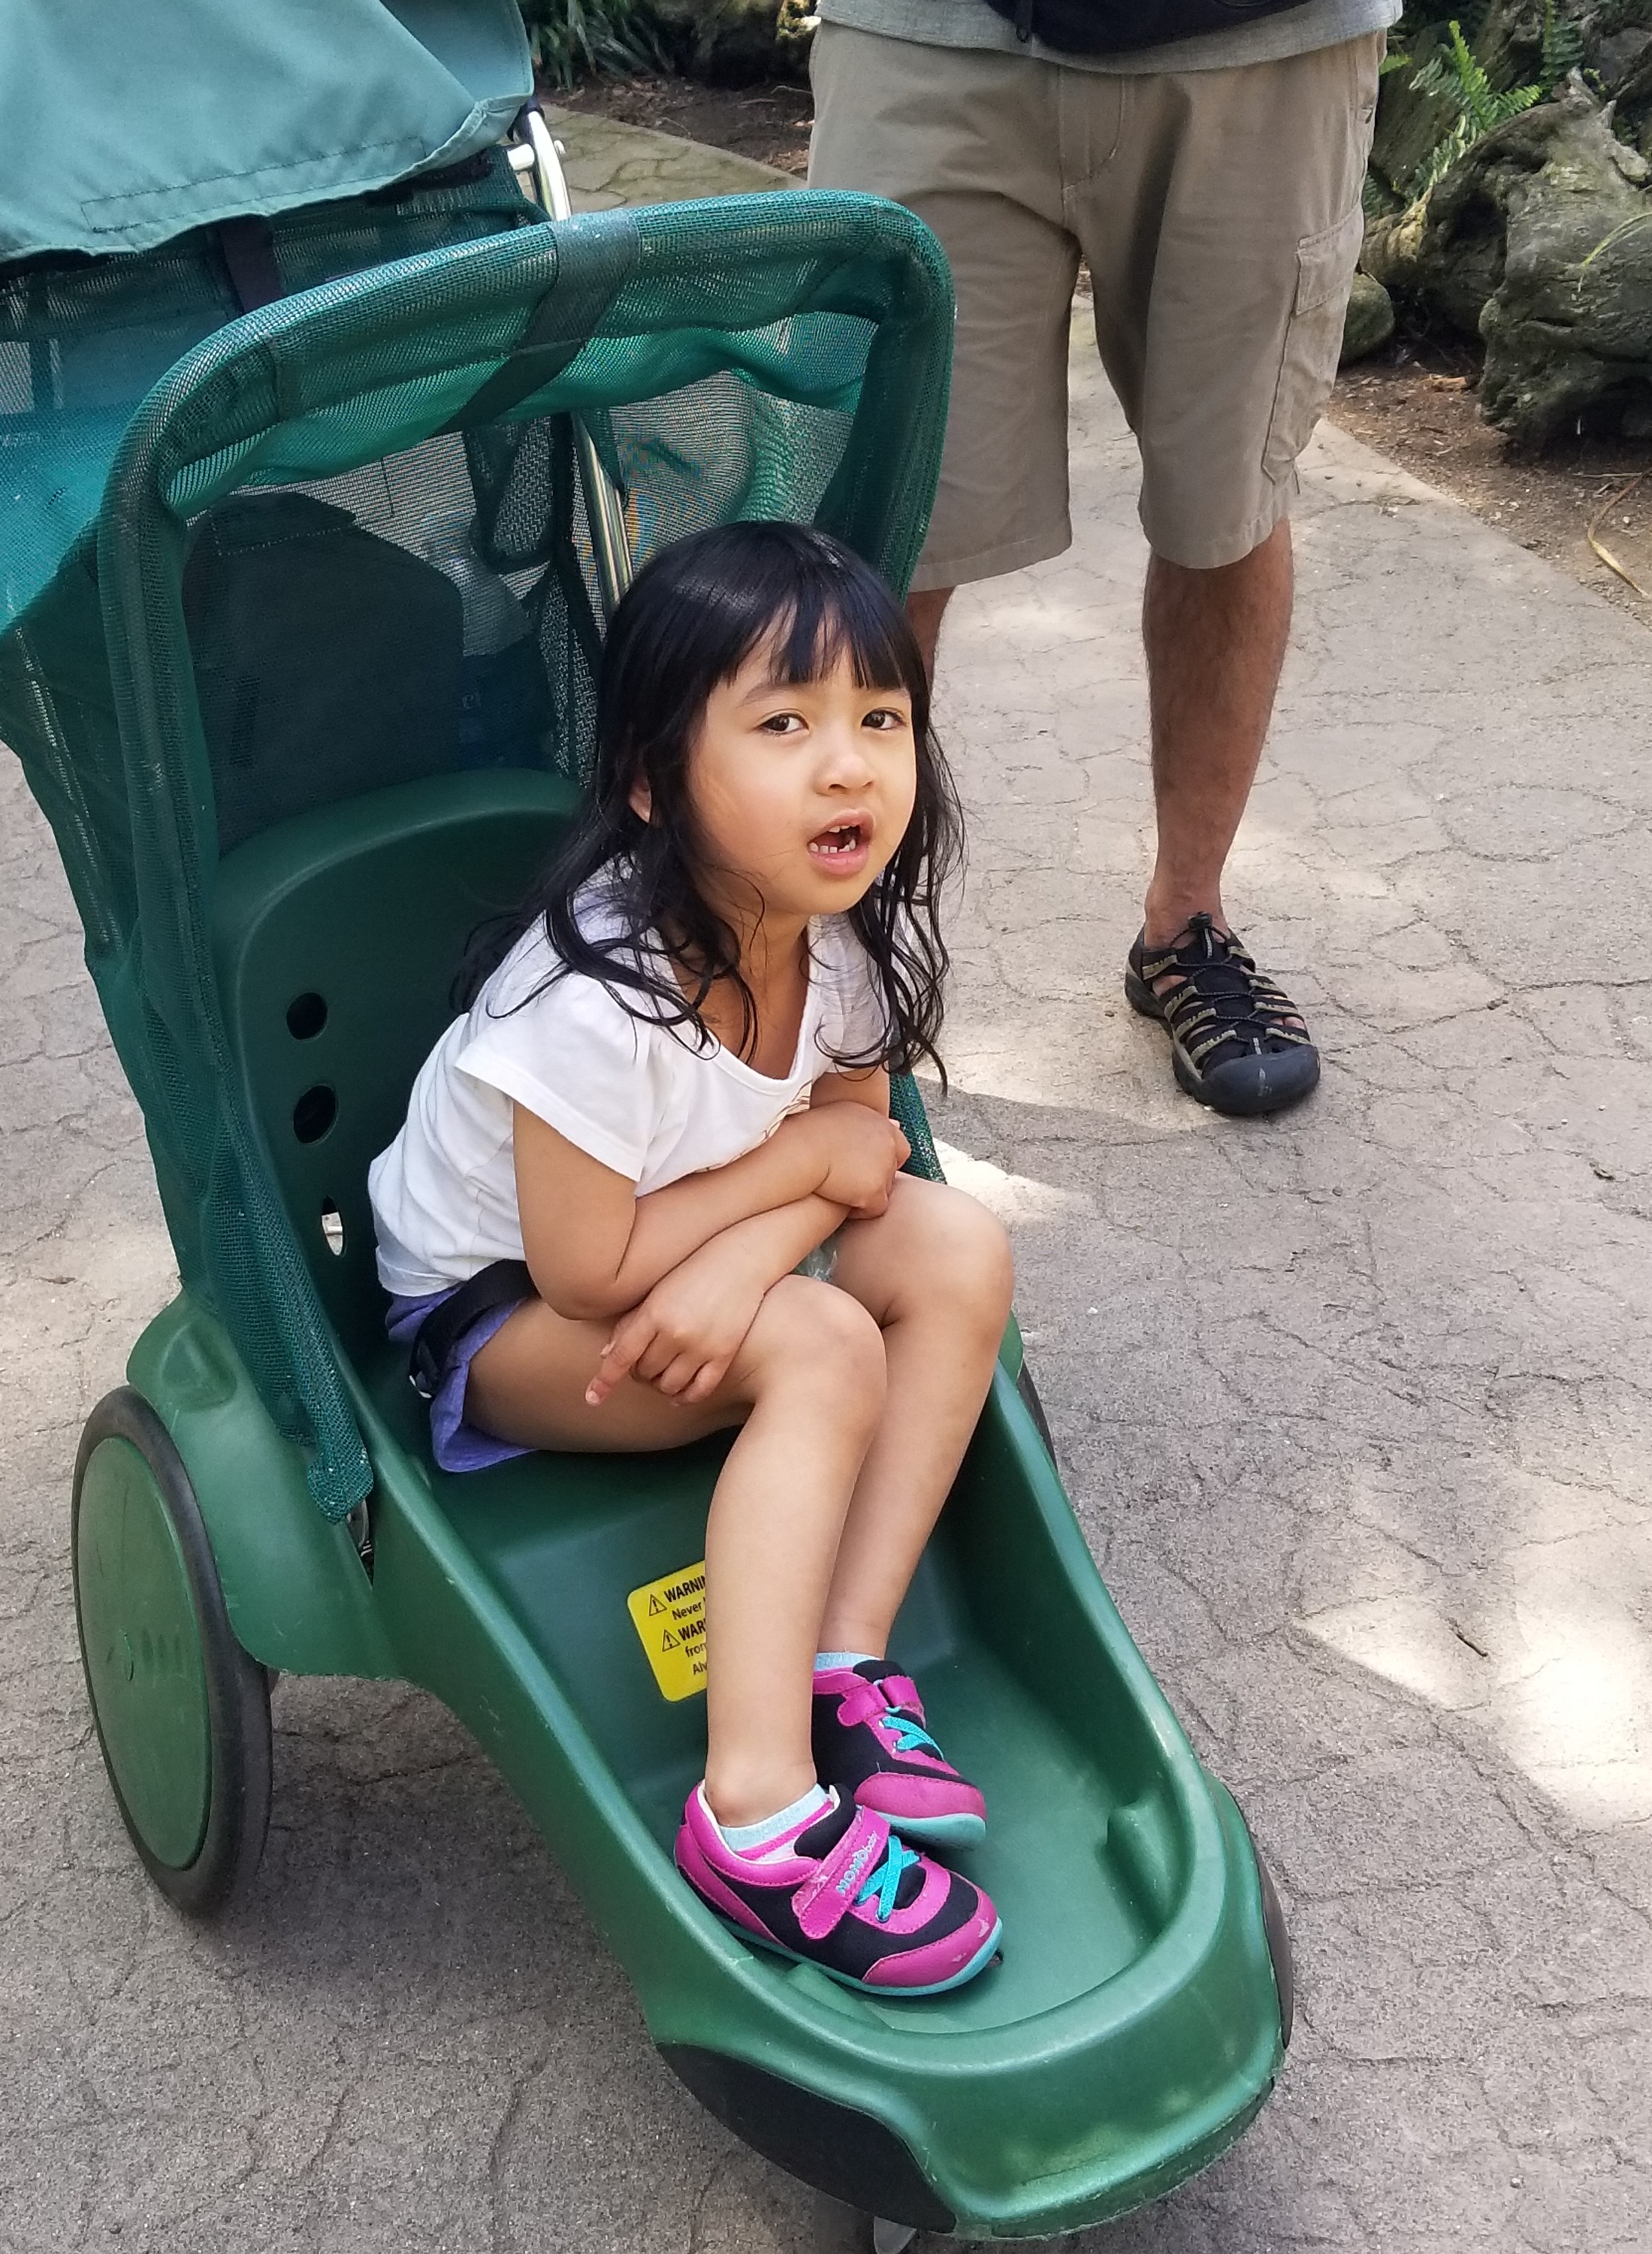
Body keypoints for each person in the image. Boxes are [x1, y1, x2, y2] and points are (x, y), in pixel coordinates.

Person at [368, 521, 1012, 1996]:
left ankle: (845, 1661)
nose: (848, 767)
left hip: (684, 1249)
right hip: (505, 1312)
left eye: (880, 720)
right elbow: (591, 1273)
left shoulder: (836, 937)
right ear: (655, 779)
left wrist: (752, 1251)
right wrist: (791, 1186)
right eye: (784, 725)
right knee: (827, 1343)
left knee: (959, 1249)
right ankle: (755, 1817)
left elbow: (865, 1150)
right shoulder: (595, 997)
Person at [808, 0, 1395, 1116]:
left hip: (1262, 46)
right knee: (881, 541)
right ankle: (824, 959)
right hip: (927, 33)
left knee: (1225, 509)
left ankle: (1188, 926)